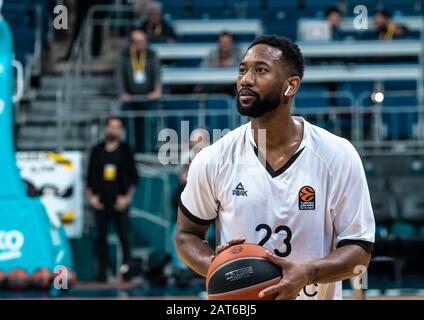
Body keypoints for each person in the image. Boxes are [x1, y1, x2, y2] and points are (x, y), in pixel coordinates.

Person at [174, 35, 375, 300]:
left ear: (290, 86)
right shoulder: (214, 158)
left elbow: (359, 248)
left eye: (260, 70)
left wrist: (307, 273)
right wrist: (219, 267)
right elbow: (186, 234)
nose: (245, 79)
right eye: (242, 70)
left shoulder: (337, 155)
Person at [86, 116, 139, 282]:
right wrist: (91, 197)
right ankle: (101, 274)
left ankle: (126, 273)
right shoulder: (97, 150)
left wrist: (127, 198)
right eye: (111, 127)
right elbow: (88, 177)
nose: (114, 130)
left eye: (117, 127)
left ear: (121, 130)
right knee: (100, 238)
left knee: (124, 238)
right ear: (106, 129)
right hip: (101, 202)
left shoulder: (125, 150)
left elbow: (134, 178)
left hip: (119, 201)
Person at [116, 29, 162, 152]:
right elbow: (119, 76)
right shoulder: (124, 55)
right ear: (132, 43)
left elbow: (157, 74)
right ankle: (131, 152)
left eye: (144, 41)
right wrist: (123, 93)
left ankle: (147, 152)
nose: (142, 44)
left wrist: (157, 90)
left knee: (148, 127)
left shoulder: (151, 54)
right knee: (130, 128)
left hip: (148, 99)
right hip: (130, 100)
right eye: (139, 42)